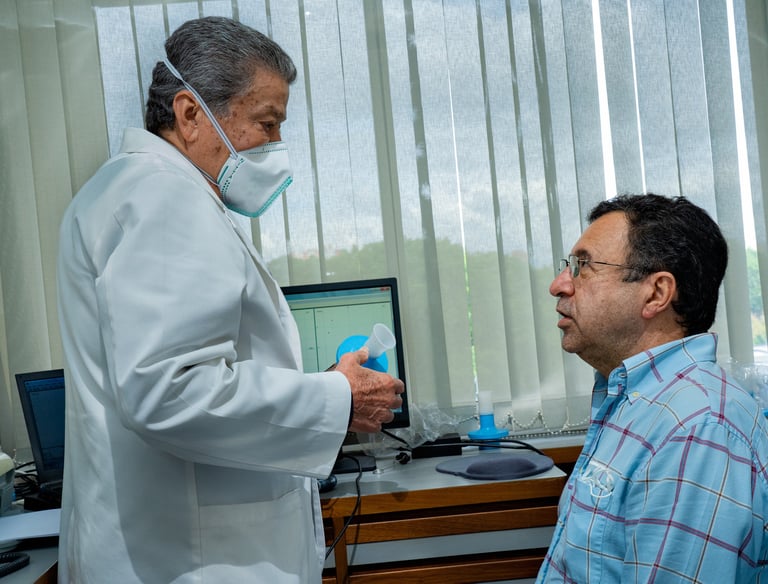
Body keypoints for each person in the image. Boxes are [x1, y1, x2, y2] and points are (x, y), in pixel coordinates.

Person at [56, 16, 403, 583]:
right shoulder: (164, 198)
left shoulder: (123, 191)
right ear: (191, 115)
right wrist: (334, 400)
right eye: (266, 123)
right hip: (194, 560)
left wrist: (316, 388)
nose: (277, 146)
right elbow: (169, 391)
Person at [536, 193, 768, 582]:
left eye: (583, 266)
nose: (559, 285)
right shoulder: (636, 401)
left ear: (657, 293)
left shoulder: (697, 429)